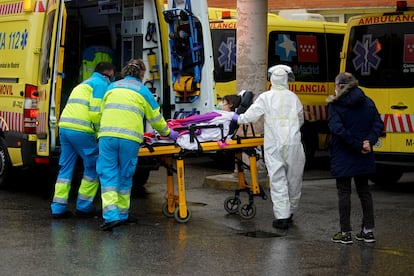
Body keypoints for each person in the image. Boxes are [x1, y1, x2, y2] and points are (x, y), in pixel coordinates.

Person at [96, 59, 179, 231]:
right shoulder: (143, 91)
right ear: (142, 75)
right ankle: (123, 214)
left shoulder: (111, 87)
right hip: (129, 139)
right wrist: (169, 133)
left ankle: (111, 217)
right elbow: (156, 119)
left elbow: (100, 112)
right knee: (125, 175)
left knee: (108, 175)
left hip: (107, 136)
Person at [232, 65, 305, 230]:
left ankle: (282, 217)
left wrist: (236, 118)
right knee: (294, 179)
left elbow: (251, 115)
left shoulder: (266, 97)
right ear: (287, 79)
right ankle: (290, 212)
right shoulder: (293, 98)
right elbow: (300, 119)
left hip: (274, 145)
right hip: (293, 144)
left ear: (271, 79)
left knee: (278, 179)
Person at [51, 61, 116, 219]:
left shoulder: (84, 84)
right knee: (93, 167)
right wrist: (101, 131)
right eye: (112, 77)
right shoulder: (100, 84)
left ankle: (58, 208)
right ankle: (84, 207)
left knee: (65, 168)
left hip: (65, 128)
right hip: (82, 130)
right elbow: (95, 112)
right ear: (107, 74)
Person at [328, 72, 384, 244]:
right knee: (364, 192)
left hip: (344, 153)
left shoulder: (336, 105)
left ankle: (345, 233)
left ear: (340, 86)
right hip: (364, 154)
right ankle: (368, 231)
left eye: (336, 85)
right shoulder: (368, 101)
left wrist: (357, 144)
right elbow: (378, 124)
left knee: (344, 192)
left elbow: (337, 130)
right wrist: (368, 142)